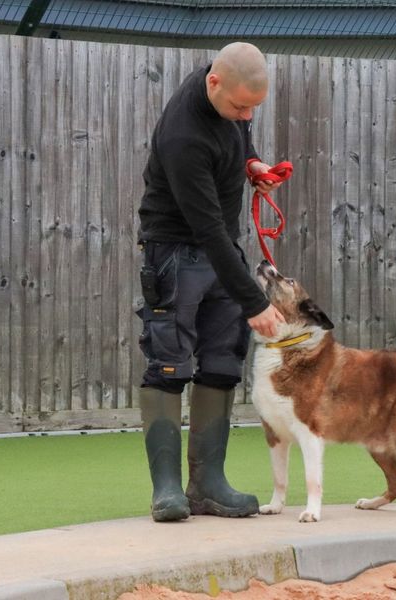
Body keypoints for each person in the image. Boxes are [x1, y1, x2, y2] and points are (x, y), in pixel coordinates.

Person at [136, 42, 286, 522]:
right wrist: (254, 302)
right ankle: (167, 490)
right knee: (169, 362)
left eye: (252, 110)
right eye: (240, 107)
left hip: (219, 249)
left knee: (223, 359)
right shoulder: (184, 135)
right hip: (175, 251)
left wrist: (253, 164)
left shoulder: (229, 95)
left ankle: (208, 485)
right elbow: (206, 227)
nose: (245, 116)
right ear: (214, 83)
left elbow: (238, 137)